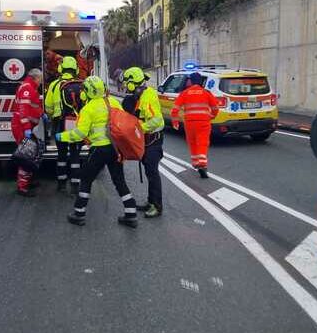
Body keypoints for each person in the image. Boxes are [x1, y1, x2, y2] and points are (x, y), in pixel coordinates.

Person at [56, 76, 139, 228]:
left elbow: (79, 134)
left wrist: (61, 136)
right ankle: (131, 213)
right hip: (115, 149)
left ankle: (79, 213)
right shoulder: (113, 102)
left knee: (86, 179)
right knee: (119, 181)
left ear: (87, 92)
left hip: (99, 150)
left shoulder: (88, 109)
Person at [122, 67, 165, 218]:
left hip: (154, 139)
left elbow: (157, 120)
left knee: (152, 173)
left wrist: (139, 127)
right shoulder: (140, 96)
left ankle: (157, 206)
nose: (126, 86)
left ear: (133, 84)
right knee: (149, 171)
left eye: (128, 83)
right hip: (147, 139)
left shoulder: (148, 97)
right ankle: (150, 201)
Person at [45, 56, 83, 192]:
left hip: (60, 123)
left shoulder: (54, 85)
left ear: (61, 68)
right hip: (76, 123)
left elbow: (48, 107)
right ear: (76, 69)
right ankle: (75, 184)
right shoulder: (82, 84)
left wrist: (52, 115)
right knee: (75, 153)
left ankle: (61, 183)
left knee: (61, 153)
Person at [171, 72, 219, 178]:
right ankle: (202, 164)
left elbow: (175, 110)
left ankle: (196, 163)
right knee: (202, 143)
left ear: (191, 81)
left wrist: (175, 122)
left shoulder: (185, 93)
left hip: (190, 123)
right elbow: (215, 107)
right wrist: (211, 116)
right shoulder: (206, 93)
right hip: (204, 122)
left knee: (192, 143)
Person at [11, 68, 45, 196]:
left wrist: (41, 114)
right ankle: (22, 187)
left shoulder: (29, 87)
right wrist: (26, 129)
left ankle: (27, 181)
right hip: (21, 126)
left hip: (24, 125)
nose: (41, 82)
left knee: (30, 153)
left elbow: (33, 106)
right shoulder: (27, 88)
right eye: (40, 79)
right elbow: (24, 110)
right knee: (26, 155)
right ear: (35, 78)